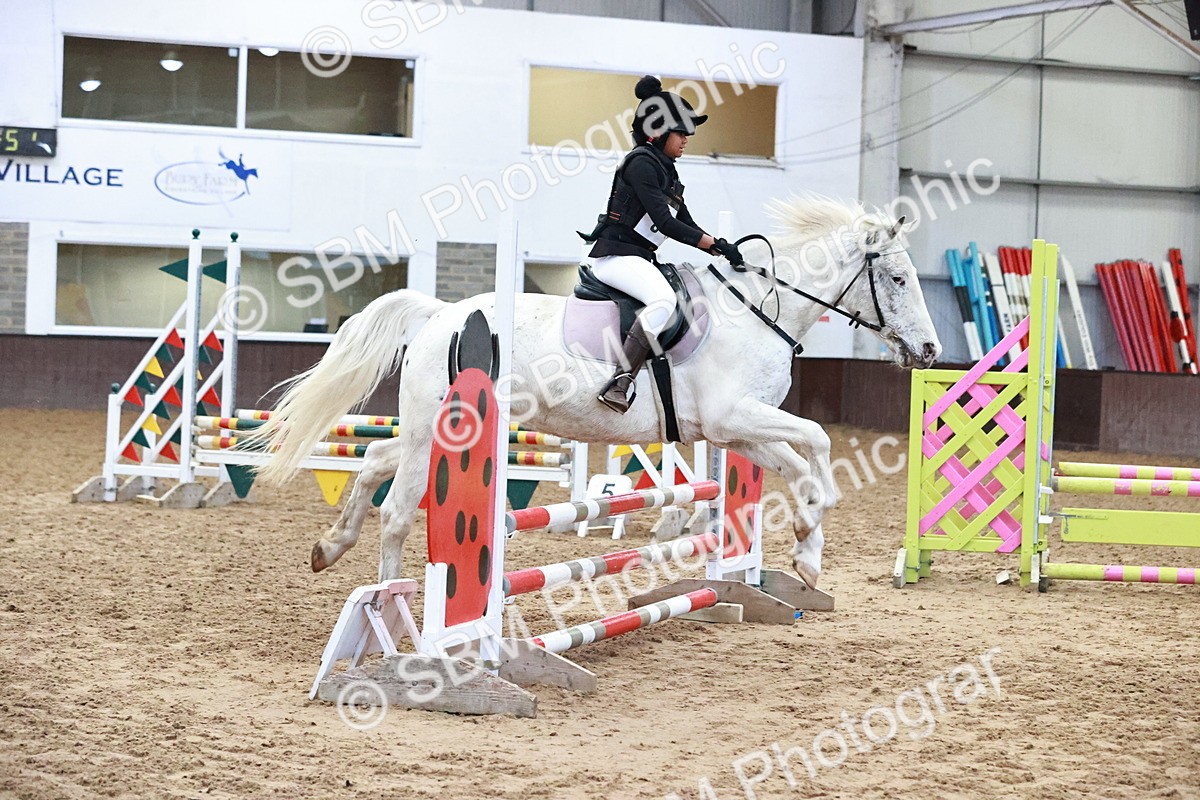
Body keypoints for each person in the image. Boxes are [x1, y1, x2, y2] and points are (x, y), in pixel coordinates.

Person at [584, 75, 743, 413]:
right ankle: (620, 381)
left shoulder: (665, 168)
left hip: (639, 257)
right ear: (657, 132)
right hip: (616, 256)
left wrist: (719, 247)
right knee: (664, 299)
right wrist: (708, 241)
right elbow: (666, 223)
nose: (686, 140)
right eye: (681, 133)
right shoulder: (641, 163)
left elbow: (685, 219)